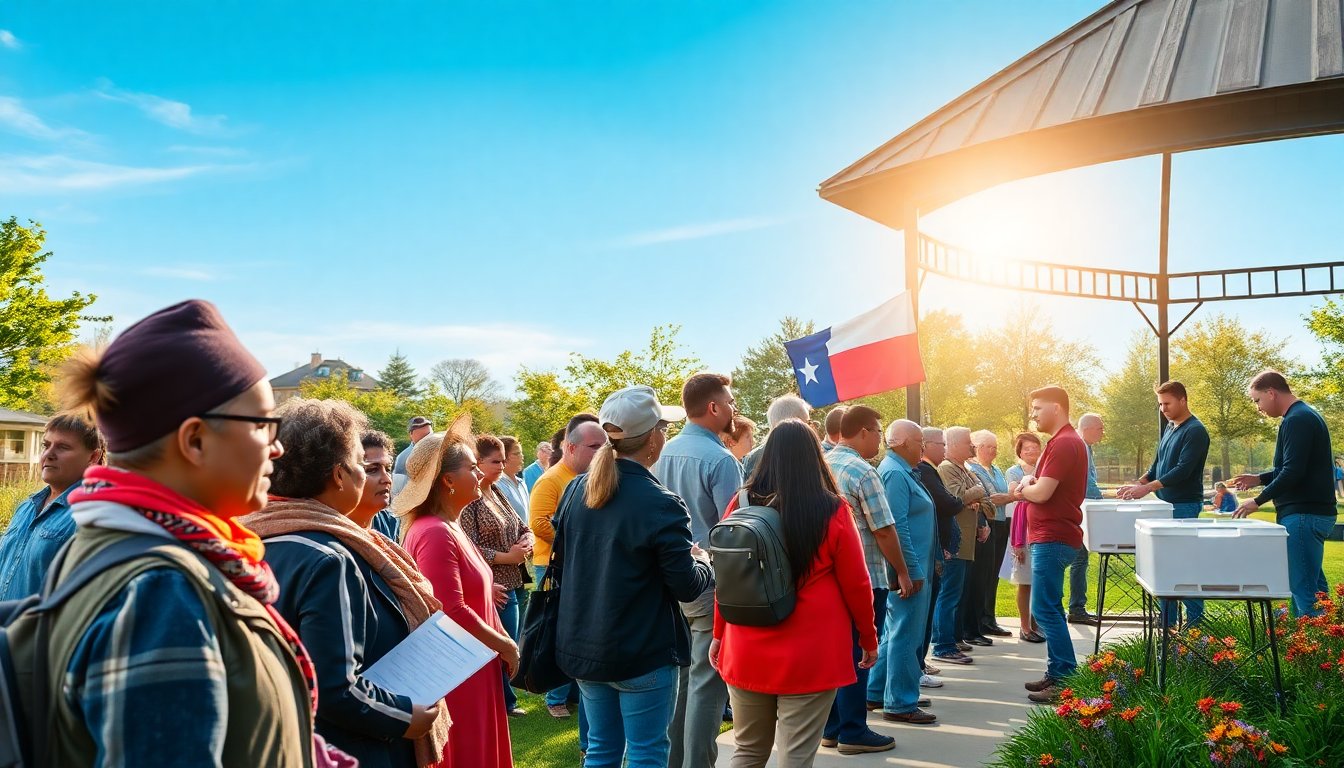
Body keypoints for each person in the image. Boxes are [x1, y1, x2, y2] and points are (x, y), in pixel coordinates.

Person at [48, 299, 324, 765]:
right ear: (195, 440)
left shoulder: (130, 554)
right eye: (262, 424)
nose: (277, 447)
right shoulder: (161, 590)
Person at [240, 399, 446, 768]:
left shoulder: (252, 538)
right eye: (359, 465)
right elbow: (335, 687)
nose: (372, 476)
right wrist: (404, 717)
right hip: (351, 749)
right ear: (338, 475)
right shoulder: (329, 558)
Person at [557, 386, 712, 768]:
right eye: (663, 427)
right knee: (644, 753)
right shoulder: (660, 502)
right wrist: (704, 561)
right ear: (654, 438)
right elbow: (686, 585)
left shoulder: (577, 489)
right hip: (641, 650)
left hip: (586, 644)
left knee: (601, 750)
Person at [711, 419, 878, 765]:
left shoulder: (740, 502)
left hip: (747, 642)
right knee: (796, 755)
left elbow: (726, 578)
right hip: (811, 651)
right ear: (815, 456)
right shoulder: (832, 509)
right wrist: (868, 637)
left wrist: (718, 633)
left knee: (747, 750)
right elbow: (857, 583)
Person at [394, 415, 517, 767]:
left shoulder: (451, 525)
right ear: (448, 480)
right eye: (471, 467)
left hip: (475, 665)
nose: (479, 473)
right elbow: (449, 610)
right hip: (460, 674)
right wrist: (506, 645)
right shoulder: (435, 531)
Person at [654, 373, 743, 768]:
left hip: (666, 580)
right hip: (707, 585)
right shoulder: (721, 459)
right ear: (713, 407)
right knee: (706, 685)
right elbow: (734, 535)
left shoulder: (660, 451)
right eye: (730, 402)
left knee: (681, 682)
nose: (734, 409)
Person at [820, 405, 915, 755]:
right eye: (878, 431)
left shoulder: (823, 465)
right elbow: (885, 530)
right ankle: (853, 730)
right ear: (862, 432)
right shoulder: (863, 470)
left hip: (825, 578)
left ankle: (830, 728)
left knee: (834, 653)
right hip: (865, 574)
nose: (881, 438)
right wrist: (902, 572)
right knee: (862, 653)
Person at [1231, 370, 1337, 617]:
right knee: (1317, 591)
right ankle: (1327, 647)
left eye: (1257, 400)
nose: (1258, 408)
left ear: (1271, 392)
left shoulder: (1296, 420)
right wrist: (1259, 478)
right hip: (1310, 513)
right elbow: (1289, 467)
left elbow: (1293, 472)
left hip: (1303, 515)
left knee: (1304, 591)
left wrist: (1257, 501)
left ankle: (1307, 652)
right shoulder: (1304, 415)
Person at [529, 417, 606, 724]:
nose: (601, 452)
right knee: (557, 630)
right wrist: (576, 540)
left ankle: (573, 692)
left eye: (605, 446)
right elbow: (538, 523)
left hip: (576, 565)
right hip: (552, 565)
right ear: (570, 448)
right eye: (594, 447)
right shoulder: (551, 479)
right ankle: (555, 696)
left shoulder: (590, 477)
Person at [1013, 386, 1088, 703]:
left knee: (1044, 608)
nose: (1033, 415)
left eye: (1037, 408)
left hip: (1053, 537)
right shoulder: (1062, 442)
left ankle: (1066, 679)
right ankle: (1057, 672)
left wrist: (1023, 486)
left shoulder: (1065, 443)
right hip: (1051, 535)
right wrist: (1030, 485)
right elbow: (1040, 487)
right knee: (1048, 607)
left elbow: (1042, 492)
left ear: (1057, 408)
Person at [1117, 380, 1211, 628]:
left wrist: (1147, 488)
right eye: (1160, 404)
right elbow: (1157, 464)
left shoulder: (1196, 431)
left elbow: (1183, 470)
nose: (1164, 409)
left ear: (1183, 400)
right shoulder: (1169, 427)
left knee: (1186, 566)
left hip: (1184, 506)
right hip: (1164, 506)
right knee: (1165, 565)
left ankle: (1194, 626)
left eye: (1167, 403)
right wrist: (1138, 483)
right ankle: (1167, 623)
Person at [869, 419, 939, 726]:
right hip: (910, 572)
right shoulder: (895, 473)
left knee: (895, 632)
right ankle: (900, 702)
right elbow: (897, 527)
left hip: (915, 568)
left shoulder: (901, 471)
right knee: (905, 634)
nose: (923, 447)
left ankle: (875, 692)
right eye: (919, 441)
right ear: (901, 442)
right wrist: (909, 570)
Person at [461, 434, 535, 718]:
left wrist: (526, 541)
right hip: (492, 584)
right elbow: (467, 544)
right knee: (500, 646)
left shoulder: (496, 490)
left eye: (504, 460)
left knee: (509, 643)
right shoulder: (472, 497)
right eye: (495, 461)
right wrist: (507, 557)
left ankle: (505, 700)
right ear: (476, 462)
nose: (502, 466)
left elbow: (521, 525)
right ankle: (501, 702)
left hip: (513, 579)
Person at [0, 411, 105, 600]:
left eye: (63, 447)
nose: (49, 454)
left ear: (93, 457)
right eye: (46, 445)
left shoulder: (91, 515)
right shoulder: (26, 507)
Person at [918, 428, 976, 670]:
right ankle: (942, 646)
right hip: (939, 547)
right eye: (940, 444)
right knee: (946, 597)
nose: (943, 448)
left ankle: (933, 652)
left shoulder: (930, 470)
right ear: (926, 444)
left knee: (949, 595)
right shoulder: (928, 471)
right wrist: (976, 494)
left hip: (949, 544)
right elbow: (949, 502)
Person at [937, 427, 993, 649]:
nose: (973, 446)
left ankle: (956, 637)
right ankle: (944, 642)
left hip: (969, 542)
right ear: (954, 445)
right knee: (950, 594)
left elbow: (987, 503)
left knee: (961, 593)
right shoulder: (947, 468)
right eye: (968, 442)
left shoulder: (968, 470)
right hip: (955, 541)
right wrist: (977, 490)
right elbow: (957, 497)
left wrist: (977, 498)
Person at [967, 429, 1013, 639]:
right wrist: (1011, 497)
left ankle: (989, 617)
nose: (993, 450)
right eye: (989, 446)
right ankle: (981, 620)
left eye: (995, 446)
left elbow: (1000, 495)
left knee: (993, 574)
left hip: (1002, 523)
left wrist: (1007, 497)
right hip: (987, 523)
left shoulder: (995, 469)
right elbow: (990, 498)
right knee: (983, 574)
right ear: (977, 447)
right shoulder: (973, 470)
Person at [1005, 432, 1045, 643]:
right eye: (1026, 448)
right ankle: (1024, 626)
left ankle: (1038, 623)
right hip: (1023, 529)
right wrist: (1034, 488)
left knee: (1041, 580)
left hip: (1043, 527)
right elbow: (1016, 494)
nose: (1031, 451)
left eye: (1035, 447)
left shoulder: (1045, 468)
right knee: (1025, 581)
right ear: (1019, 451)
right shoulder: (1014, 471)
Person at [1067, 413, 1105, 626]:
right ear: (1088, 428)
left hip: (1079, 508)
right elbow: (1086, 482)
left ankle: (1077, 606)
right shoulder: (1080, 446)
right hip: (1078, 510)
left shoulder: (1085, 447)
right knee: (1079, 559)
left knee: (1080, 559)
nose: (1102, 432)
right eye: (1100, 428)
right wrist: (1103, 498)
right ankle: (1076, 608)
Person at [741, 394, 812, 479]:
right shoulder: (809, 454)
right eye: (808, 422)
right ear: (794, 422)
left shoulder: (752, 458)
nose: (810, 427)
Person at [356, 430, 402, 541]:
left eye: (388, 469)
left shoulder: (390, 522)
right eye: (372, 470)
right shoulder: (328, 532)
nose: (387, 479)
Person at [392, 416, 433, 495]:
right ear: (411, 434)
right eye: (422, 437)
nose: (427, 440)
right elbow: (398, 492)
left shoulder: (440, 450)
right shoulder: (403, 458)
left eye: (429, 435)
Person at [496, 435, 530, 520]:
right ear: (504, 457)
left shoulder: (522, 483)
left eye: (521, 453)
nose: (522, 456)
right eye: (517, 453)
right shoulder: (497, 486)